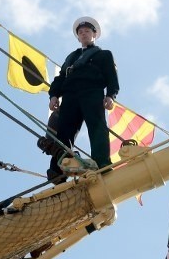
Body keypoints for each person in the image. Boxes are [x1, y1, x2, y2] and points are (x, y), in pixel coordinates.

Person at [46, 16, 119, 183]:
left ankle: (102, 163)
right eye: (80, 32)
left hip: (92, 92)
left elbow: (111, 77)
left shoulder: (103, 55)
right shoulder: (71, 58)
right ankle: (57, 170)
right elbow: (60, 78)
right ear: (78, 37)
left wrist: (110, 95)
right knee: (64, 131)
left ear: (94, 35)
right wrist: (54, 95)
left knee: (97, 126)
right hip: (70, 95)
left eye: (87, 31)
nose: (83, 34)